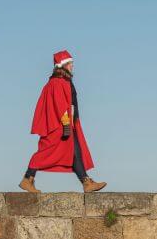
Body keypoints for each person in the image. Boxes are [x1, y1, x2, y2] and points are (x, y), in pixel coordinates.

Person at [19, 50, 105, 193]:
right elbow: (60, 105)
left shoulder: (63, 81)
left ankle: (86, 182)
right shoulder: (58, 82)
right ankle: (27, 178)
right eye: (70, 63)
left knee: (75, 152)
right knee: (47, 152)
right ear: (63, 65)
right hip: (60, 126)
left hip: (68, 123)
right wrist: (66, 124)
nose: (72, 66)